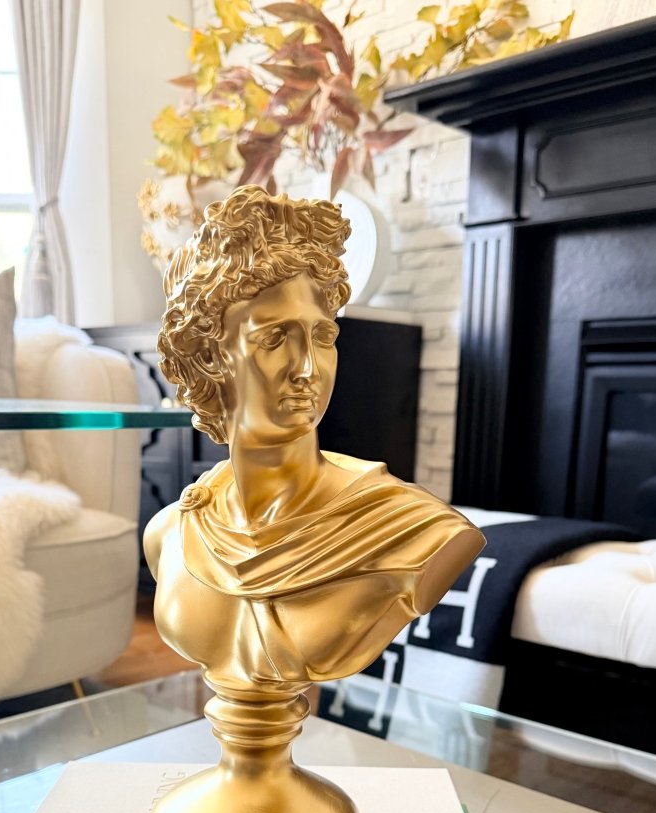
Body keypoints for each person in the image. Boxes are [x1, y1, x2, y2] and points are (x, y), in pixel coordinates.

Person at [144, 185, 485, 700]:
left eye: (323, 338)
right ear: (211, 357)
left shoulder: (413, 531)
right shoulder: (173, 532)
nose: (307, 369)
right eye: (273, 338)